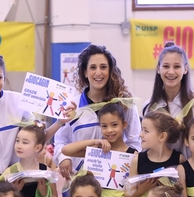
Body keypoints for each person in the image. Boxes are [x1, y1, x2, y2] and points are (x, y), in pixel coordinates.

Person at [0, 51, 66, 176]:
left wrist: (60, 122)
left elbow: (38, 138)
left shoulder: (17, 101)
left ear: (4, 77)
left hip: (17, 180)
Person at [54, 44, 141, 181]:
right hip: (82, 182)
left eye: (103, 67)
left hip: (116, 180)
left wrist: (125, 169)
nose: (98, 73)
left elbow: (135, 142)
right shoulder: (72, 105)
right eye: (93, 67)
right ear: (85, 72)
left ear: (110, 71)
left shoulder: (125, 105)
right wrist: (63, 158)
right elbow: (61, 139)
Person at [143, 42, 194, 160]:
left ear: (185, 69)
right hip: (160, 171)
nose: (171, 72)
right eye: (166, 66)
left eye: (177, 66)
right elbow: (146, 148)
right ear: (158, 69)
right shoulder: (149, 107)